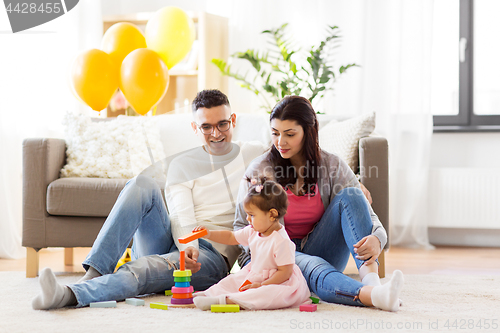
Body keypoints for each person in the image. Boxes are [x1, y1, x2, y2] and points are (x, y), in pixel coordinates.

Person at [32, 89, 266, 310]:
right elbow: (179, 212)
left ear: (233, 120)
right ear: (195, 128)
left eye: (222, 124)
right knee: (141, 183)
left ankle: (68, 294)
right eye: (206, 127)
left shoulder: (254, 154)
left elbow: (288, 146)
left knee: (143, 268)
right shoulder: (182, 164)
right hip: (178, 241)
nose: (216, 134)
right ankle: (94, 274)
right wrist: (188, 246)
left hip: (211, 256)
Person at [234, 95, 404, 312]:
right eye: (275, 133)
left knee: (352, 194)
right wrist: (263, 253)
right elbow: (241, 225)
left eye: (290, 134)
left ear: (308, 131)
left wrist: (378, 239)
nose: (280, 142)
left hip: (321, 246)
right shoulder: (259, 170)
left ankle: (373, 283)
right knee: (314, 266)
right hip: (277, 258)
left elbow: (369, 215)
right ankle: (376, 297)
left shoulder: (332, 165)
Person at [191, 177, 310, 311]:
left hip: (278, 281)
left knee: (266, 294)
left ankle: (226, 301)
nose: (247, 219)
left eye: (251, 215)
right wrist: (209, 234)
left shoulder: (281, 241)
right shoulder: (253, 231)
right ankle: (210, 294)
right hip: (255, 273)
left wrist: (262, 285)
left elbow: (285, 273)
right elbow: (231, 237)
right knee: (232, 280)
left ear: (272, 214)